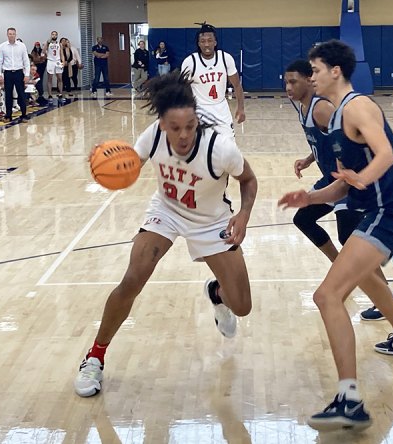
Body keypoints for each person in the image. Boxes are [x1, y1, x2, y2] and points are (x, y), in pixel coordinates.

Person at [73, 70, 258, 398]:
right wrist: (112, 166)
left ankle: (217, 294)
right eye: (175, 128)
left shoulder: (221, 148)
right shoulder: (152, 137)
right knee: (132, 279)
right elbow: (129, 163)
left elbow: (249, 180)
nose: (184, 134)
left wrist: (243, 215)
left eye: (190, 126)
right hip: (166, 213)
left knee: (242, 306)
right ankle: (95, 357)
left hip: (212, 222)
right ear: (162, 124)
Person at [278, 40, 393, 431]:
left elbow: (386, 155)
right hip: (376, 209)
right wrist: (307, 197)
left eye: (314, 70)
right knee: (356, 279)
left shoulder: (357, 106)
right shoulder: (335, 118)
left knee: (327, 295)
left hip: (392, 210)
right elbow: (341, 186)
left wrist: (363, 177)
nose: (310, 77)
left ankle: (350, 400)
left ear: (335, 72)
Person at [285, 59, 393, 321]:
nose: (288, 87)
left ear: (309, 80)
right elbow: (324, 141)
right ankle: (344, 270)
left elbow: (347, 137)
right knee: (303, 218)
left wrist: (359, 173)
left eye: (293, 81)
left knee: (350, 238)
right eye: (285, 81)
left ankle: (389, 296)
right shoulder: (302, 107)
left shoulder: (322, 109)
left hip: (344, 182)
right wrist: (308, 159)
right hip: (329, 179)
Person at [181, 23, 245, 135]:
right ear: (198, 44)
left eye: (210, 40)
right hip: (200, 111)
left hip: (222, 110)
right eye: (203, 41)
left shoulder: (226, 58)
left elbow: (237, 86)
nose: (206, 44)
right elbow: (183, 90)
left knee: (228, 148)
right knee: (202, 149)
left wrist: (241, 108)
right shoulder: (190, 62)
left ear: (215, 42)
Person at [0, 27, 30, 123]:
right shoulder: (2, 46)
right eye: (10, 34)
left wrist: (27, 74)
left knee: (21, 94)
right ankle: (8, 115)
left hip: (19, 72)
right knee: (8, 95)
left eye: (13, 34)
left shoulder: (22, 46)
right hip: (8, 73)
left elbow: (26, 61)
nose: (11, 35)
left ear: (16, 35)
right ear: (7, 35)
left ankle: (24, 115)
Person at [42, 31, 65, 102]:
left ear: (57, 36)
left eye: (55, 35)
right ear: (51, 35)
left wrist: (63, 61)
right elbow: (43, 51)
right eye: (53, 34)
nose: (54, 36)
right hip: (50, 61)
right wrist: (47, 43)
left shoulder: (59, 44)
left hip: (57, 61)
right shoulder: (48, 43)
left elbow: (61, 53)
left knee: (60, 78)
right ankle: (50, 94)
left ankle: (60, 93)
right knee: (50, 78)